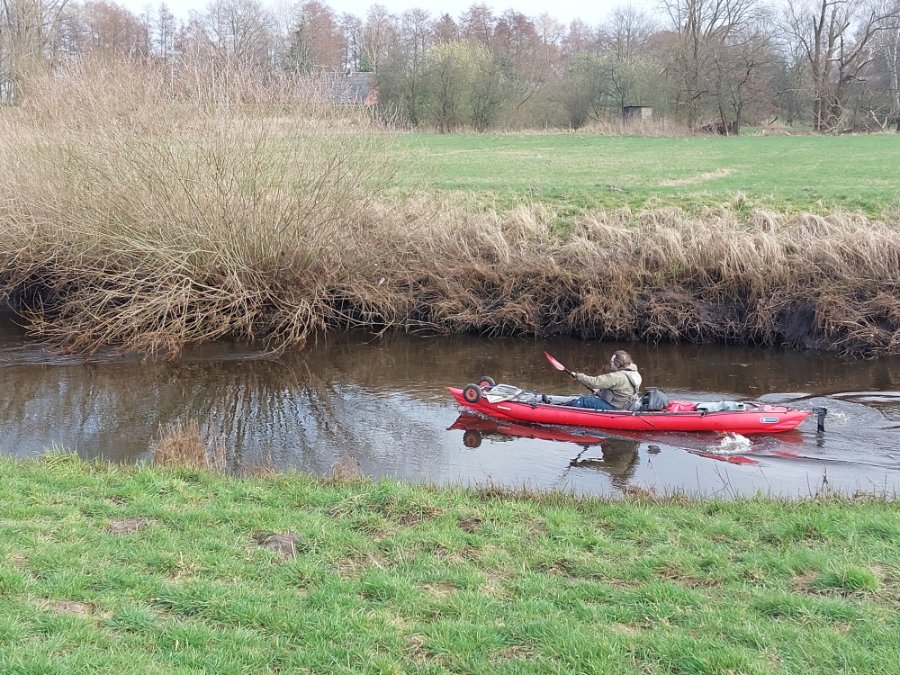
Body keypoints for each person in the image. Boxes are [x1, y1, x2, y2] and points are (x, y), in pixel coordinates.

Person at [564, 350, 642, 411]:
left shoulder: (617, 377)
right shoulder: (633, 372)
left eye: (612, 362)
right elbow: (619, 390)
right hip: (625, 405)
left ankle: (566, 412)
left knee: (582, 400)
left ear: (618, 363)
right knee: (590, 399)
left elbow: (595, 382)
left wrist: (578, 376)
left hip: (615, 408)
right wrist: (599, 392)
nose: (610, 363)